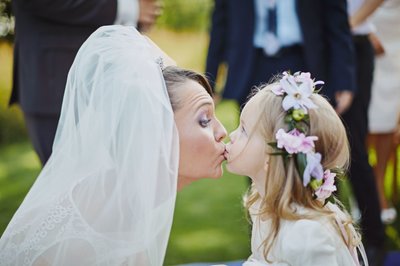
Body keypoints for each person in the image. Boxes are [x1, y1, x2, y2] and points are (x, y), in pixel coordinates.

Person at [0, 25, 227, 265]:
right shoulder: (86, 238)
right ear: (154, 133)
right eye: (204, 120)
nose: (222, 132)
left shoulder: (127, 201)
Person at [225, 72, 367, 266]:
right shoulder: (262, 206)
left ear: (271, 156)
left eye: (243, 130)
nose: (231, 135)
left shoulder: (308, 236)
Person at [9, 0, 161, 165]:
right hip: (58, 82)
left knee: (131, 177)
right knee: (73, 182)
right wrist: (128, 7)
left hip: (122, 76)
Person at [206, 0, 355, 113]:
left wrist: (344, 81)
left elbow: (337, 24)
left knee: (303, 137)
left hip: (303, 63)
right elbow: (220, 26)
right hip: (251, 66)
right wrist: (209, 84)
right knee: (255, 139)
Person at [367, 0, 400, 224]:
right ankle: (368, 191)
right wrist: (366, 35)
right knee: (369, 120)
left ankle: (378, 186)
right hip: (369, 52)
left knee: (389, 121)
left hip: (396, 53)